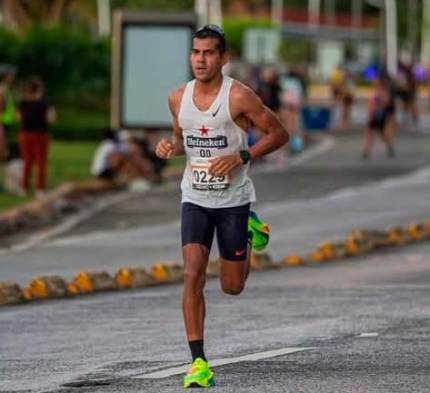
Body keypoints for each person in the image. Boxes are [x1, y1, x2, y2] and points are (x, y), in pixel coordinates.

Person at [155, 24, 289, 388]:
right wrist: (169, 148)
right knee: (192, 273)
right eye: (196, 52)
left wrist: (242, 154)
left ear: (223, 58)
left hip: (233, 200)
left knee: (232, 287)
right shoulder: (177, 98)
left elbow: (279, 134)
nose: (200, 59)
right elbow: (181, 140)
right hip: (195, 198)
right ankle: (198, 361)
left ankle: (248, 230)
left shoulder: (239, 97)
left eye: (208, 53)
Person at [16, 77, 56, 196]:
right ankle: (40, 188)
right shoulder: (44, 104)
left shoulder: (22, 103)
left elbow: (18, 118)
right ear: (39, 89)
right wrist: (53, 112)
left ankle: (24, 187)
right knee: (41, 163)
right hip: (40, 134)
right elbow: (50, 119)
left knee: (27, 162)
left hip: (25, 134)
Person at [91, 129, 155, 186]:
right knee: (125, 161)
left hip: (103, 172)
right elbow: (116, 161)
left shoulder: (112, 145)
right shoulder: (109, 145)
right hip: (102, 173)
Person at [362, 74, 396, 159]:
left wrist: (377, 105)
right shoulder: (376, 91)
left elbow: (386, 103)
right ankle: (366, 150)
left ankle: (389, 147)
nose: (374, 81)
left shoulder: (384, 92)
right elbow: (371, 103)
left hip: (380, 115)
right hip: (374, 115)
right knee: (370, 132)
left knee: (382, 133)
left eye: (376, 80)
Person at [0, 67, 16, 162]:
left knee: (4, 140)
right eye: (11, 76)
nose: (12, 78)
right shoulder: (3, 88)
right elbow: (1, 103)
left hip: (6, 119)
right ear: (6, 77)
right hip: (3, 119)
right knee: (2, 140)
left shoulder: (6, 88)